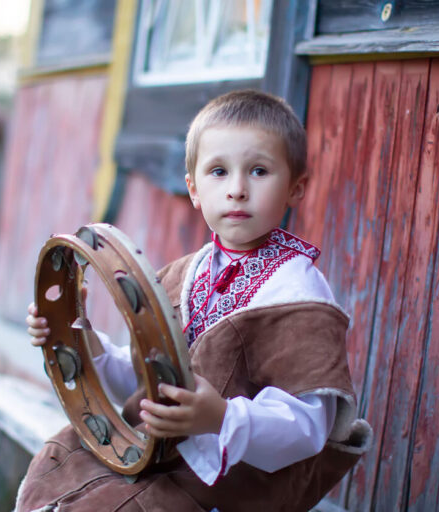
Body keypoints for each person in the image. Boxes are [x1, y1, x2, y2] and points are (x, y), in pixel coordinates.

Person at [19, 90, 371, 511]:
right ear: (194, 189)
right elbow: (139, 382)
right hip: (149, 454)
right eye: (219, 172)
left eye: (259, 171)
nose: (237, 190)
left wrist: (220, 417)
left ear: (296, 188)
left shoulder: (300, 295)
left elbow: (307, 428)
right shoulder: (180, 276)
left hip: (228, 485)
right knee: (60, 459)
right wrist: (83, 343)